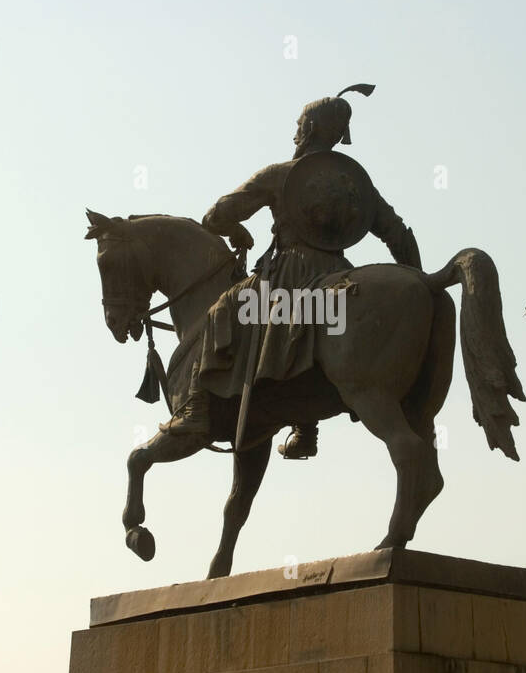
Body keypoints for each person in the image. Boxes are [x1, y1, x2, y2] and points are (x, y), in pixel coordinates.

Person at [160, 84, 422, 459]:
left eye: (299, 125)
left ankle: (195, 407)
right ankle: (305, 429)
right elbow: (396, 233)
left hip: (289, 272)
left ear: (312, 130)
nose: (295, 133)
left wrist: (236, 230)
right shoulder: (355, 186)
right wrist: (418, 279)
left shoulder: (280, 174)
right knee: (314, 335)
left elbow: (216, 216)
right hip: (336, 272)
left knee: (225, 306)